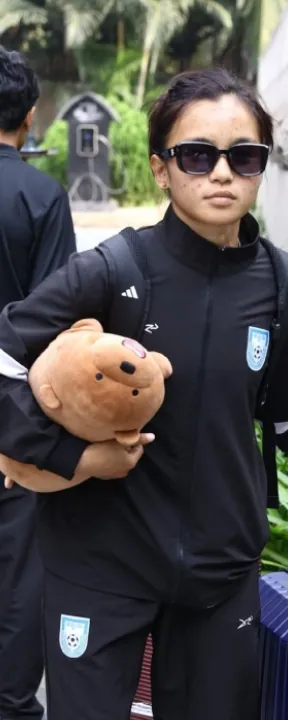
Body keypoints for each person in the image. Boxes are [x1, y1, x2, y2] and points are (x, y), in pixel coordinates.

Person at [0, 67, 288, 720]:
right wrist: (71, 459)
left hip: (221, 573)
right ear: (162, 169)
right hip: (99, 562)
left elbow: (283, 409)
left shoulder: (283, 283)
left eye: (243, 157)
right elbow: (4, 356)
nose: (221, 173)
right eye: (197, 155)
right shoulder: (112, 271)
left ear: (260, 168)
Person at [0, 44, 79, 720]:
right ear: (28, 118)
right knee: (19, 572)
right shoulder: (43, 196)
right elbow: (59, 324)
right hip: (16, 421)